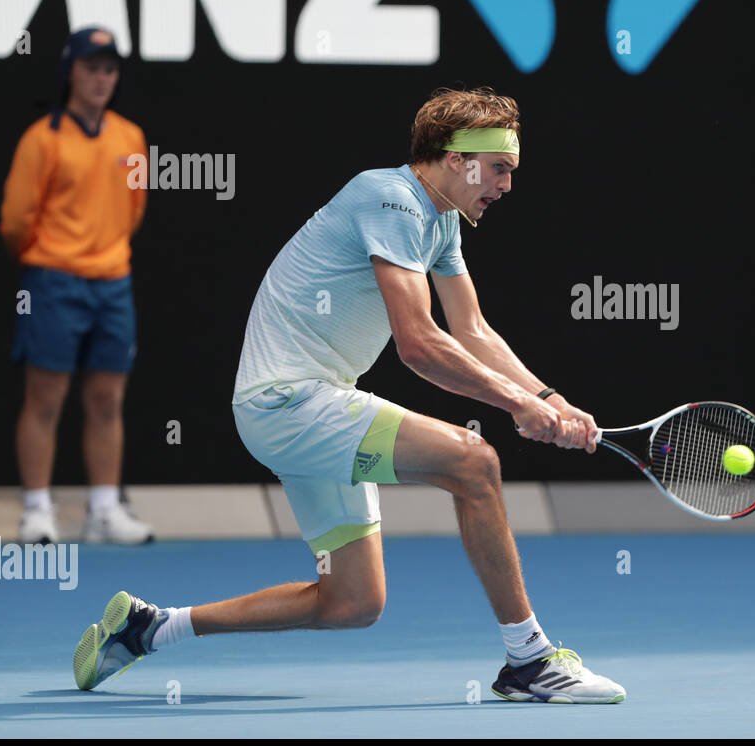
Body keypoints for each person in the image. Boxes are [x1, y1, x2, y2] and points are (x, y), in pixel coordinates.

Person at [72, 87, 626, 703]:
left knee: (352, 601)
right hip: (288, 402)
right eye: (499, 168)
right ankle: (530, 660)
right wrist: (517, 406)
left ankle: (149, 629)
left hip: (305, 409)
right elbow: (419, 343)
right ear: (455, 158)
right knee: (475, 463)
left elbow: (471, 331)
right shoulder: (391, 198)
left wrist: (548, 396)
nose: (506, 185)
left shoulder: (439, 219)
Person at [1, 26, 154, 546]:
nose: (101, 78)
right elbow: (16, 221)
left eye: (110, 69)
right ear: (72, 70)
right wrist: (55, 258)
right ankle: (37, 509)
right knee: (45, 397)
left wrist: (102, 253)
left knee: (108, 399)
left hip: (113, 283)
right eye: (92, 67)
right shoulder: (41, 139)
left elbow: (133, 212)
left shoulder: (130, 138)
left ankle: (105, 510)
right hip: (53, 282)